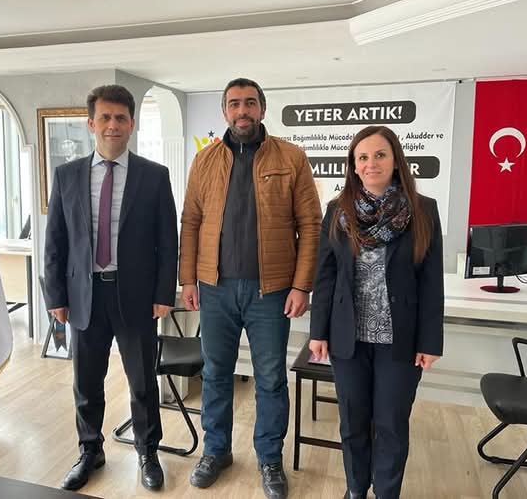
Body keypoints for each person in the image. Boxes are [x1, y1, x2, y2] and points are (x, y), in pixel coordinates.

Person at [179, 78, 321, 499]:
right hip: (215, 288)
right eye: (234, 104)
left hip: (271, 291)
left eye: (250, 103)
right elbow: (191, 223)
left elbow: (310, 225)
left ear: (262, 108)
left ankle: (270, 458)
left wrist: (302, 285)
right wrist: (187, 278)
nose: (242, 111)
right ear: (225, 111)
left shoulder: (291, 158)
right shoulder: (205, 160)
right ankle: (216, 451)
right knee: (215, 373)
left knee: (271, 378)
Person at [44, 84, 178, 492]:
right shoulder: (66, 175)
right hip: (84, 297)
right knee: (86, 383)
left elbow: (167, 241)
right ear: (91, 124)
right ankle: (90, 451)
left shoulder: (154, 176)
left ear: (132, 124)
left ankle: (147, 451)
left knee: (142, 382)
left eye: (121, 118)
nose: (112, 125)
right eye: (105, 117)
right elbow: (56, 241)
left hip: (135, 296)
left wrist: (163, 294)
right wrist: (56, 297)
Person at [309, 125, 444, 499]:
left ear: (396, 160)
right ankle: (356, 488)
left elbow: (432, 282)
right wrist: (317, 332)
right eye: (363, 157)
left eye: (380, 155)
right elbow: (325, 275)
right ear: (353, 166)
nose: (372, 163)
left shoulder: (422, 210)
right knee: (352, 422)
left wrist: (430, 341)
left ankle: (386, 492)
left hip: (399, 340)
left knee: (391, 424)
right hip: (347, 338)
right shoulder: (337, 211)